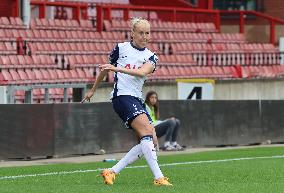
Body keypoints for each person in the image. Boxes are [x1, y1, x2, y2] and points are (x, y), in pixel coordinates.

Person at [83, 17, 172, 186]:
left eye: (147, 33)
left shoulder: (151, 57)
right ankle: (159, 178)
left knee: (151, 140)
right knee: (146, 132)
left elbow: (141, 73)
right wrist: (93, 89)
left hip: (136, 98)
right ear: (132, 33)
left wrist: (116, 68)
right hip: (122, 97)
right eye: (141, 33)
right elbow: (105, 69)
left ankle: (111, 171)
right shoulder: (120, 48)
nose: (145, 36)